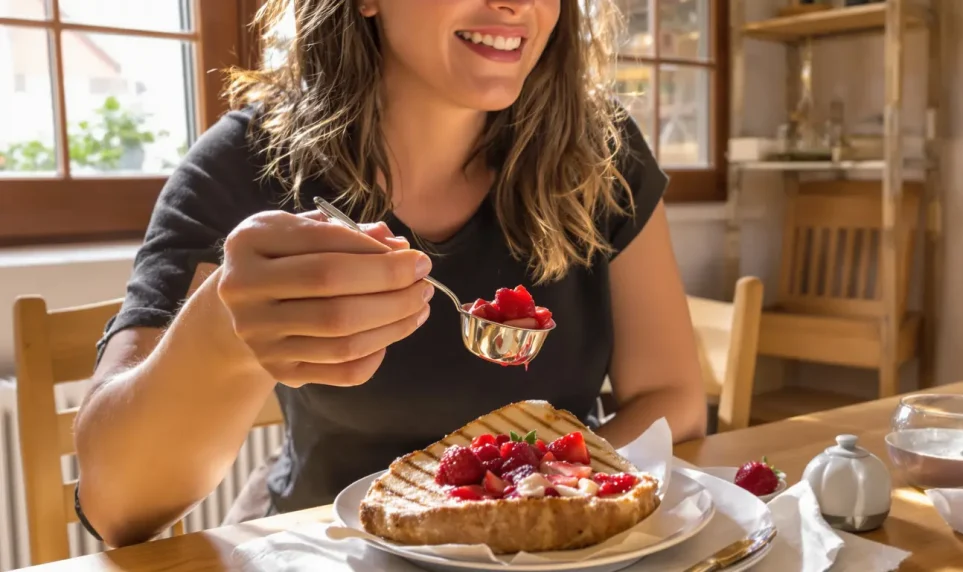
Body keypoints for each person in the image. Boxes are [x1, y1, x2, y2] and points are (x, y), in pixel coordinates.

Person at [73, 0, 708, 548]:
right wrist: (222, 332)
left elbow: (672, 401)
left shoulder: (603, 155)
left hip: (557, 549)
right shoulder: (242, 166)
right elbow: (115, 507)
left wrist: (543, 494)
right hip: (326, 552)